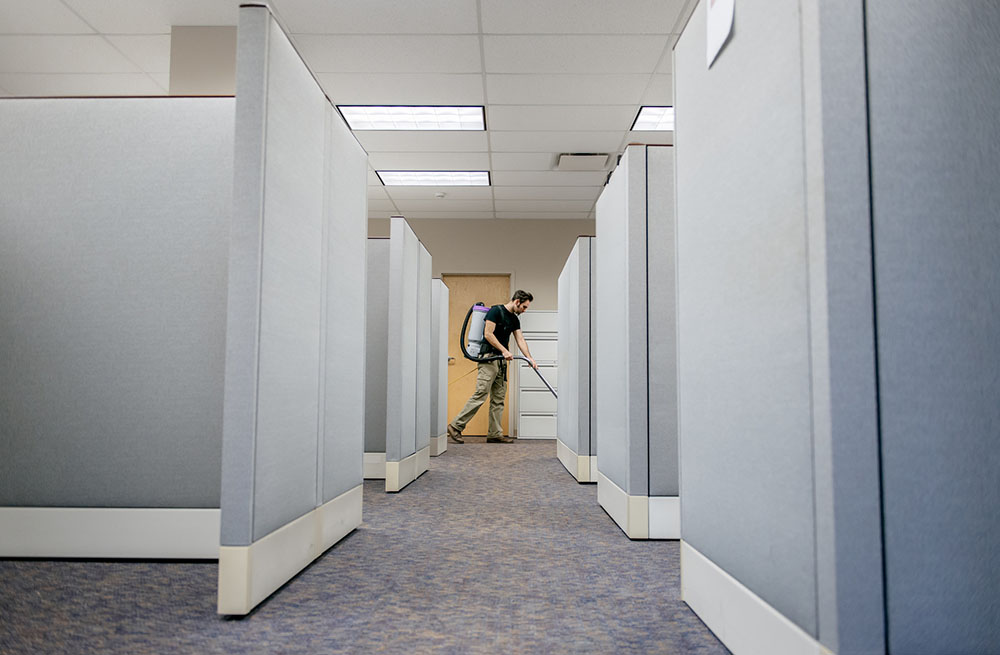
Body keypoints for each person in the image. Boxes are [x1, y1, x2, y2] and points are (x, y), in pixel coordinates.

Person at [448, 290, 537, 444]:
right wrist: (504, 350)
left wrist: (529, 358)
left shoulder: (515, 319)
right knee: (481, 394)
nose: (524, 310)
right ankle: (456, 426)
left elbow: (520, 339)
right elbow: (488, 334)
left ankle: (495, 433)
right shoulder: (495, 311)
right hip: (489, 358)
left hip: (502, 362)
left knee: (499, 398)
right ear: (517, 302)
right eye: (524, 307)